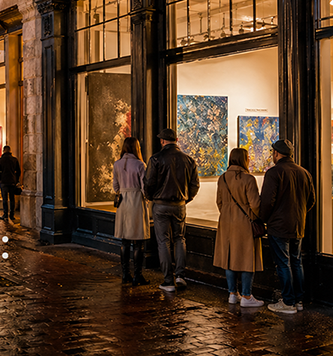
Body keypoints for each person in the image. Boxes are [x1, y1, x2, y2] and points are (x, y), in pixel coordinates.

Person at [261, 139, 315, 315]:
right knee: (297, 262)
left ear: (276, 153)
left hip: (278, 226)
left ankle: (288, 302)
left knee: (283, 264)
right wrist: (299, 213)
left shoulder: (274, 173)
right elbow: (311, 200)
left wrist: (262, 219)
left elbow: (267, 201)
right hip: (298, 224)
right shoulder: (304, 172)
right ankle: (299, 300)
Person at [143, 128, 200, 293]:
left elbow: (149, 183)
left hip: (160, 205)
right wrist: (185, 199)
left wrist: (151, 197)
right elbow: (195, 185)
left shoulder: (156, 159)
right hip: (180, 205)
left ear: (162, 141)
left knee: (163, 242)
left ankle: (168, 281)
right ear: (176, 139)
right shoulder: (188, 160)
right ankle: (180, 275)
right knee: (180, 239)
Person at [214, 148, 264, 307]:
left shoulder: (222, 178)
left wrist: (228, 212)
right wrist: (256, 217)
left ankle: (232, 294)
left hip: (226, 222)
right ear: (244, 159)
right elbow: (255, 204)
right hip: (244, 222)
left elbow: (219, 202)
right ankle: (247, 296)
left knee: (229, 258)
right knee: (247, 258)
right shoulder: (248, 179)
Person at [113, 137, 150, 286]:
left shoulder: (117, 164)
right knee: (138, 241)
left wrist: (123, 189)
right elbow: (144, 188)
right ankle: (137, 276)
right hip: (136, 201)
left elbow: (115, 186)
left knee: (125, 241)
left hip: (123, 202)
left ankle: (125, 274)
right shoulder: (141, 165)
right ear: (137, 148)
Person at [0, 145, 21, 222]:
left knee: (5, 199)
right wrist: (16, 179)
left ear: (3, 151)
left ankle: (5, 214)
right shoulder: (14, 160)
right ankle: (12, 215)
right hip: (12, 181)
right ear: (10, 151)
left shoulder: (1, 160)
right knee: (12, 199)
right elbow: (18, 171)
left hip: (4, 181)